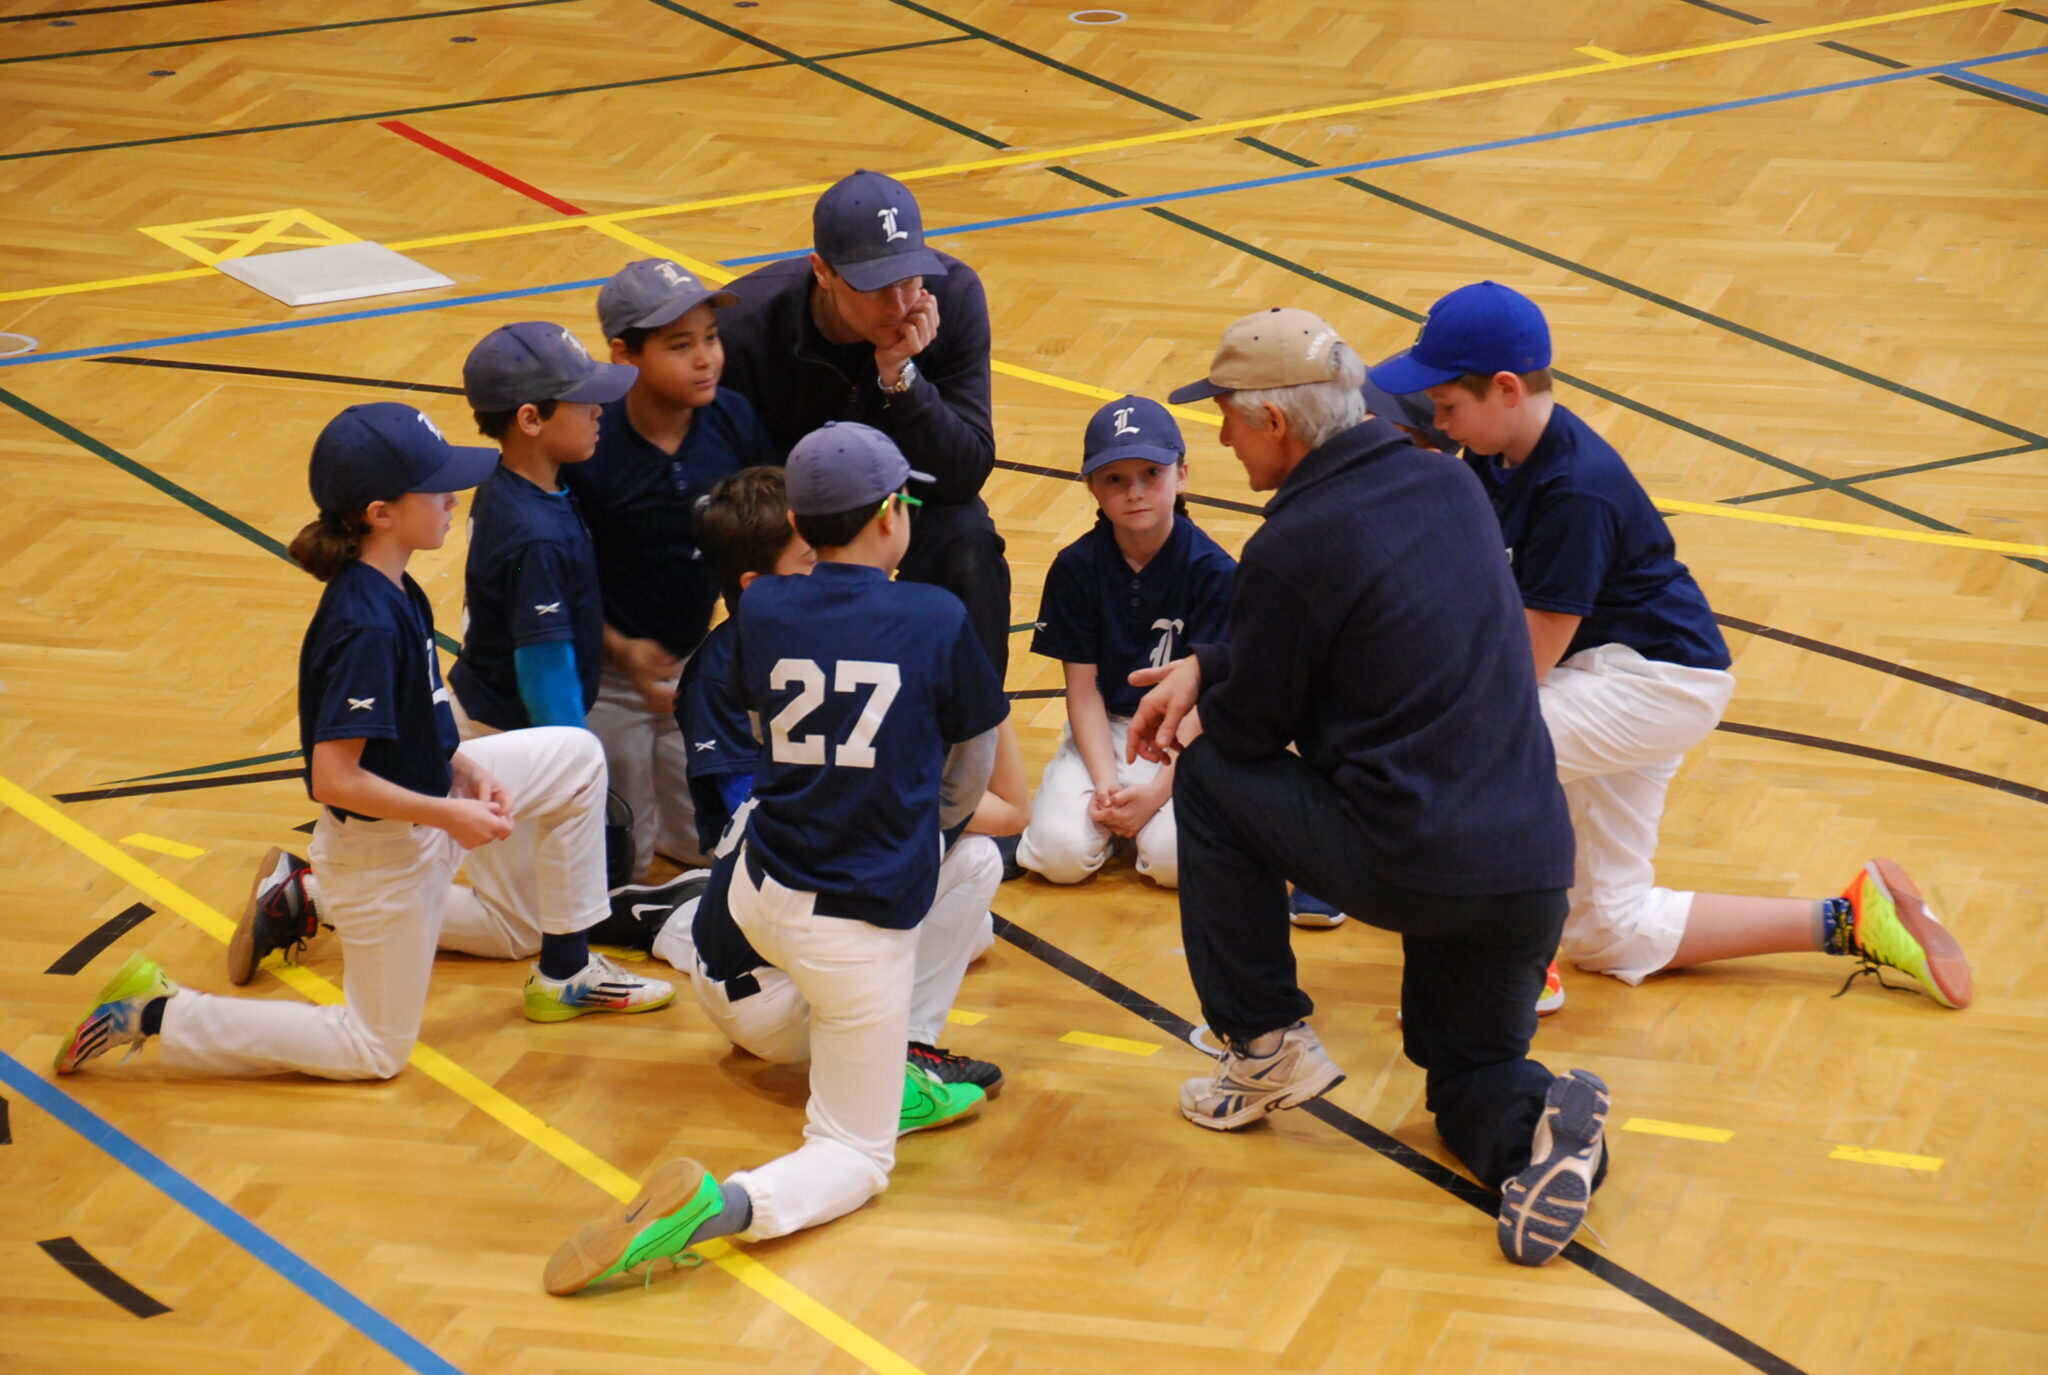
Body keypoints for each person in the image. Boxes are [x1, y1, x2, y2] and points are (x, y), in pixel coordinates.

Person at [1133, 307, 1605, 1266]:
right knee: (1465, 1073)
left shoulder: (1291, 542)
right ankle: (1543, 1140)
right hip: (1527, 870)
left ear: (1276, 423)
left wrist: (1210, 680)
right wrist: (1218, 663)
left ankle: (1266, 1046)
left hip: (1414, 860)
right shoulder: (1450, 484)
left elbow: (1256, 729)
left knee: (1216, 770)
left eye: (1225, 413)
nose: (1217, 435)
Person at [1369, 282, 1971, 1010]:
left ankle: (1515, 959)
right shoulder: (1495, 461)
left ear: (1504, 389)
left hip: (1652, 681)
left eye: (1447, 407)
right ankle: (1849, 917)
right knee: (1609, 930)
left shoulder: (1574, 488)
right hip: (1610, 675)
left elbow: (1524, 664)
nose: (1439, 424)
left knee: (1478, 755)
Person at [56, 404, 669, 1085]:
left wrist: (464, 770)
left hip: (424, 808)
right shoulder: (365, 625)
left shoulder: (401, 588)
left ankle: (563, 971)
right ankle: (157, 1010)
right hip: (384, 856)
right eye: (435, 486)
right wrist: (453, 815)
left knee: (569, 775)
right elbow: (334, 779)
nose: (453, 497)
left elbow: (424, 714)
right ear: (381, 511)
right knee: (372, 1050)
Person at [543, 422, 1012, 1295]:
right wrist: (926, 828)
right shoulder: (936, 616)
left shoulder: (761, 606)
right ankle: (714, 1207)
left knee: (933, 889)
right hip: (853, 928)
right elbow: (974, 769)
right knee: (855, 1156)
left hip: (763, 883)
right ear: (890, 515)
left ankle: (879, 1057)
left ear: (800, 516)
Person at [716, 169, 1012, 678]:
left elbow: (964, 473)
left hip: (904, 498)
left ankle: (973, 732)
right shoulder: (745, 329)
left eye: (908, 280)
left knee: (967, 539)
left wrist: (902, 377)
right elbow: (736, 497)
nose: (899, 306)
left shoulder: (955, 295)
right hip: (794, 515)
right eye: (875, 287)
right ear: (823, 271)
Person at [573, 258, 777, 880]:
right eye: (680, 345)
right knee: (618, 865)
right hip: (606, 673)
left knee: (712, 845)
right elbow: (561, 584)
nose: (706, 358)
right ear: (623, 354)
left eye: (710, 338)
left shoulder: (733, 418)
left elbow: (769, 528)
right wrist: (621, 648)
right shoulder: (590, 447)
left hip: (694, 665)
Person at [1014, 395, 1233, 891]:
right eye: (1115, 479)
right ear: (1092, 487)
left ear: (1181, 475)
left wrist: (1159, 792)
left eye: (1151, 474)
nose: (1135, 492)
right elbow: (1083, 688)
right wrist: (1105, 780)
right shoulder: (1076, 567)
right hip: (1107, 731)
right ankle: (1108, 816)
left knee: (1175, 862)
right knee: (1059, 857)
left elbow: (1210, 701)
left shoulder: (1214, 571)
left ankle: (1148, 820)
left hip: (1185, 738)